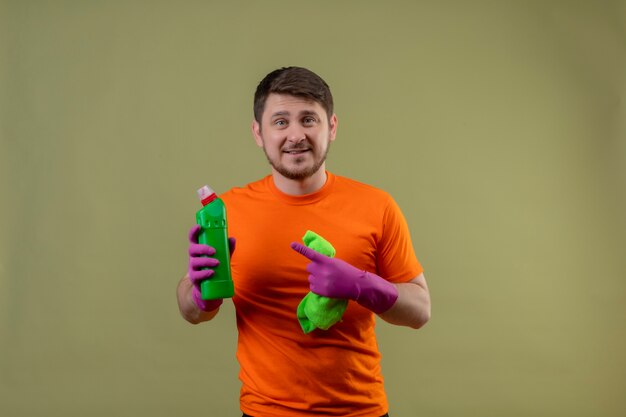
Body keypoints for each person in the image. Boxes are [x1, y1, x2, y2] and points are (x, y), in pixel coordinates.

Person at [177, 66, 431, 417]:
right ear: (258, 132)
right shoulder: (227, 211)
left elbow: (420, 311)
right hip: (264, 412)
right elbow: (190, 312)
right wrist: (198, 293)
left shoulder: (377, 205)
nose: (296, 135)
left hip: (360, 411)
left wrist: (363, 285)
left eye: (308, 119)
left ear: (332, 127)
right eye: (280, 121)